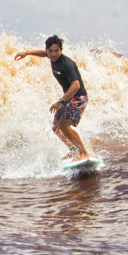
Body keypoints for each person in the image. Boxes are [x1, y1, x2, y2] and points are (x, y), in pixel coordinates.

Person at [14, 35, 90, 163]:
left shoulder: (67, 65)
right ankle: (74, 150)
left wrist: (61, 102)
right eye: (50, 51)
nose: (53, 54)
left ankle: (84, 153)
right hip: (68, 98)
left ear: (61, 50)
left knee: (64, 126)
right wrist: (27, 53)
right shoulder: (50, 56)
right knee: (56, 128)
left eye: (56, 51)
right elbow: (43, 54)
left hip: (78, 97)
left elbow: (76, 85)